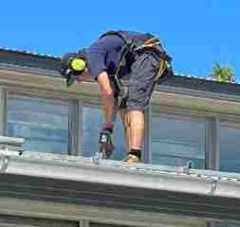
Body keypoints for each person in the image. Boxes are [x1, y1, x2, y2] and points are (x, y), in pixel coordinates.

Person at [61, 31, 172, 163]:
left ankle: (135, 154)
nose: (79, 81)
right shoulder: (109, 67)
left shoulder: (93, 56)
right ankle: (131, 153)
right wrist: (107, 130)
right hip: (148, 59)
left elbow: (106, 92)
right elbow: (112, 97)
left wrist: (108, 125)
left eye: (76, 77)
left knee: (134, 104)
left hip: (147, 56)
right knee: (124, 106)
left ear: (78, 65)